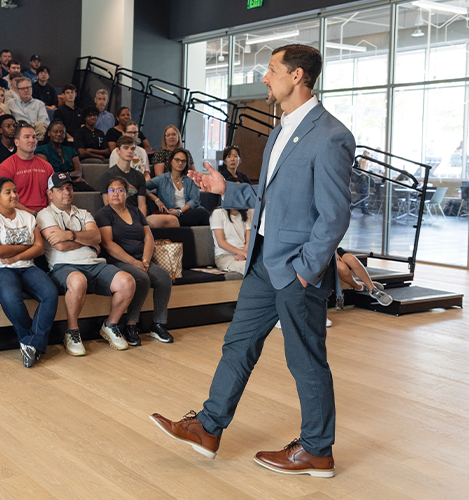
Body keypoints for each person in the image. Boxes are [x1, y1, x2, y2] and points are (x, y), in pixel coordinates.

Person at [152, 44, 353, 478]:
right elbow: (270, 195)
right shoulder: (282, 129)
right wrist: (228, 190)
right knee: (237, 344)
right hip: (263, 261)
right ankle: (208, 427)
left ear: (297, 76)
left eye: (271, 69)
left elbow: (335, 216)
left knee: (305, 360)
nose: (265, 77)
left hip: (297, 270)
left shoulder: (331, 135)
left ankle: (318, 451)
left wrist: (305, 271)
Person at [37, 172, 135, 355]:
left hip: (94, 264)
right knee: (78, 280)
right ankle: (72, 332)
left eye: (69, 187)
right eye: (60, 189)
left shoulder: (83, 213)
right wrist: (86, 240)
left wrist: (69, 234)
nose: (66, 192)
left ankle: (110, 325)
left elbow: (97, 236)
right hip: (63, 266)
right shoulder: (44, 214)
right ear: (50, 194)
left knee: (127, 281)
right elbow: (60, 245)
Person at [0, 177, 57, 367]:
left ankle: (31, 343)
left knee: (50, 293)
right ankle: (29, 339)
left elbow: (39, 248)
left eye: (15, 191)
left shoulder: (28, 217)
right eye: (8, 192)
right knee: (12, 297)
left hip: (27, 266)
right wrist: (26, 245)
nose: (14, 195)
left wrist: (15, 255)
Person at [96, 176, 174, 345]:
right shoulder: (104, 214)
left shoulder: (136, 211)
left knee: (164, 278)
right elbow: (108, 244)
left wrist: (145, 260)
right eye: (111, 190)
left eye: (120, 190)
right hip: (117, 261)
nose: (115, 194)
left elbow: (149, 237)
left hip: (141, 260)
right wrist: (135, 263)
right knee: (142, 278)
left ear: (127, 193)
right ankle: (131, 325)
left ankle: (158, 324)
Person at [144, 148, 210, 227]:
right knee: (203, 214)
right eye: (177, 160)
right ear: (171, 161)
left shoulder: (191, 179)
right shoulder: (162, 178)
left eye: (183, 161)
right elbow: (142, 187)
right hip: (170, 214)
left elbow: (194, 200)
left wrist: (180, 211)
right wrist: (156, 199)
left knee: (203, 213)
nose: (180, 163)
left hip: (188, 212)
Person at [0, 124, 53, 214]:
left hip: (45, 213)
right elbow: (5, 200)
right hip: (17, 213)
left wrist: (51, 213)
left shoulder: (47, 166)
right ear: (17, 142)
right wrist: (32, 213)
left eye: (34, 137)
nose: (32, 140)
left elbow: (53, 195)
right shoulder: (5, 167)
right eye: (27, 137)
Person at [35, 120, 93, 191]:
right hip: (54, 183)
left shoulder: (71, 150)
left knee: (90, 190)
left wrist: (67, 176)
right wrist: (72, 179)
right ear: (49, 133)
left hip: (70, 181)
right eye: (55, 132)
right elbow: (48, 175)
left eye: (62, 132)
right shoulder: (41, 150)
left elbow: (78, 172)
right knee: (73, 190)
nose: (59, 134)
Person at [99, 136, 149, 218]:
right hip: (116, 217)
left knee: (171, 220)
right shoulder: (107, 175)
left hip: (136, 217)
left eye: (132, 149)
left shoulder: (139, 176)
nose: (130, 151)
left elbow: (142, 205)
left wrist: (142, 223)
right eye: (126, 148)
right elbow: (108, 204)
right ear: (118, 151)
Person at [210, 207, 251, 273]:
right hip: (224, 256)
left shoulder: (246, 214)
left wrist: (244, 254)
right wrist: (243, 253)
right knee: (250, 268)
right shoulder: (218, 213)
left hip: (244, 255)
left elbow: (249, 240)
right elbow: (221, 243)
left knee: (261, 266)